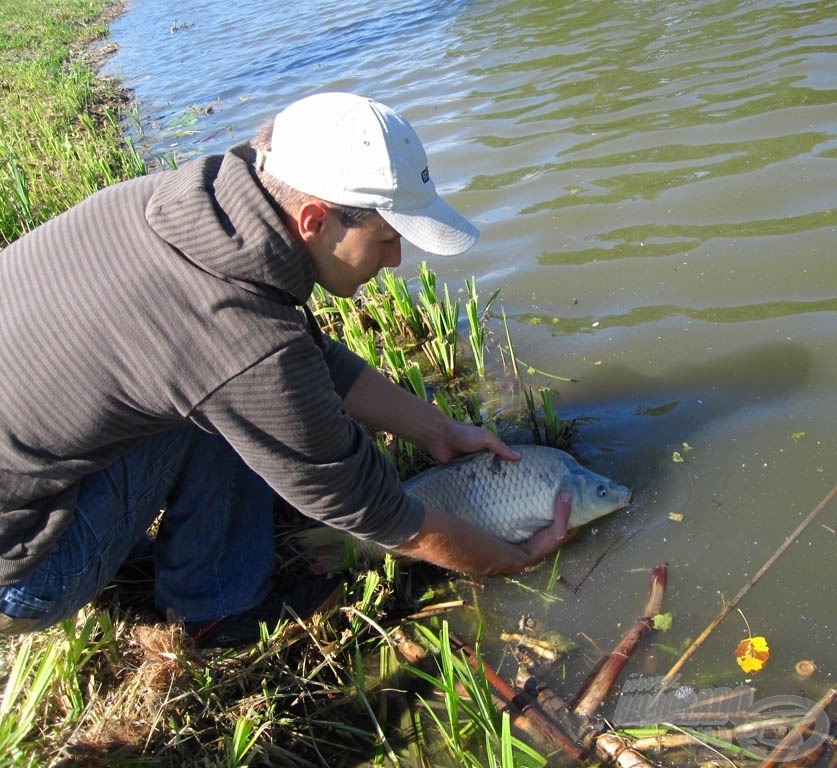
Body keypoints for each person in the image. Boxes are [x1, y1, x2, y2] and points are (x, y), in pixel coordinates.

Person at [0, 92, 571, 646]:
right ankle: (216, 609)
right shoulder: (239, 341)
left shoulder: (189, 204)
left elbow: (303, 352)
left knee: (213, 386)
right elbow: (380, 513)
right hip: (21, 576)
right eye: (387, 239)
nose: (396, 260)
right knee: (232, 404)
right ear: (313, 220)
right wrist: (513, 557)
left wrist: (437, 430)